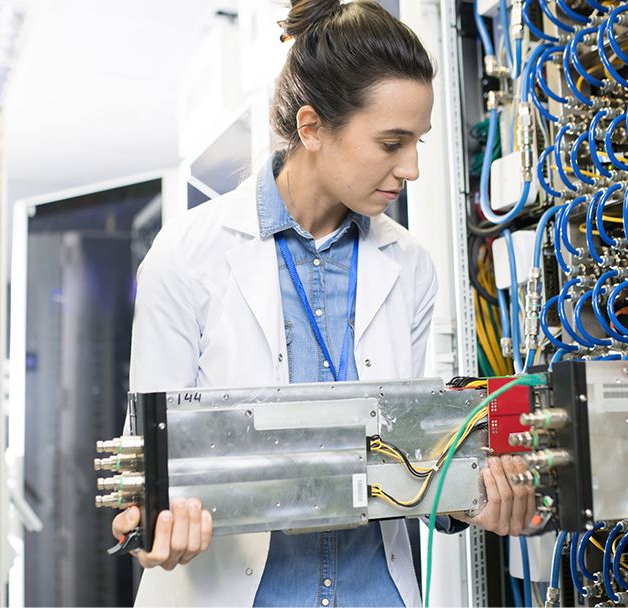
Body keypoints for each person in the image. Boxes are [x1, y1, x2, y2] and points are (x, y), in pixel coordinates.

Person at [111, 1, 536, 605]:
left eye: (417, 142)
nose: (411, 167)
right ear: (312, 128)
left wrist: (475, 503)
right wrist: (152, 527)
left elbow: (406, 459)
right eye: (391, 142)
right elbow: (149, 470)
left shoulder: (409, 265)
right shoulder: (186, 256)